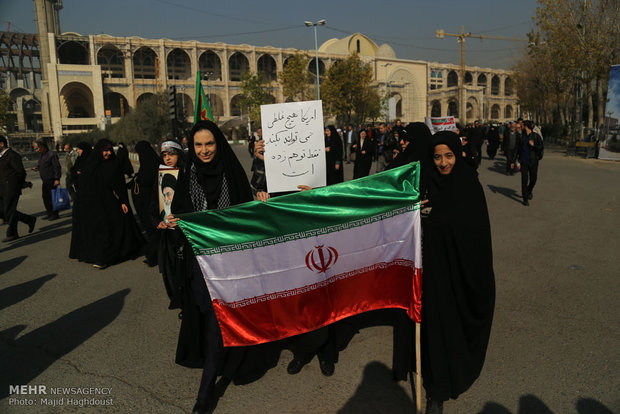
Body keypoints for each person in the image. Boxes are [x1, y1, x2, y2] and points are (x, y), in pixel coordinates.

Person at [165, 120, 257, 414]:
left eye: (210, 144)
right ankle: (216, 371)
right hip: (200, 263)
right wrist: (174, 222)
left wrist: (261, 200)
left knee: (225, 317)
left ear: (219, 144)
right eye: (198, 145)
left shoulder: (232, 172)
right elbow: (179, 213)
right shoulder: (188, 175)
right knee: (210, 318)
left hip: (231, 262)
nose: (204, 151)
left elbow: (248, 215)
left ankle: (205, 394)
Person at [421, 131, 495, 414]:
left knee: (452, 329)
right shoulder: (428, 183)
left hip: (461, 276)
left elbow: (473, 234)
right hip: (435, 275)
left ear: (458, 154)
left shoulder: (468, 185)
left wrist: (433, 221)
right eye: (438, 157)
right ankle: (435, 390)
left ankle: (449, 377)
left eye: (448, 156)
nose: (443, 163)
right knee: (435, 330)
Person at [70, 139, 144, 268]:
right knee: (95, 231)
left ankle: (104, 257)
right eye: (105, 150)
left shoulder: (114, 165)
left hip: (108, 204)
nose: (108, 153)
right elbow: (82, 184)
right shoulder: (91, 165)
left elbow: (119, 186)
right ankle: (97, 255)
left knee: (109, 230)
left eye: (110, 150)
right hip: (91, 205)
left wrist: (123, 202)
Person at [0, 135, 36, 241]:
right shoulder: (1, 156)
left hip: (10, 188)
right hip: (1, 189)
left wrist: (18, 185)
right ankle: (29, 219)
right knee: (4, 211)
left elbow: (20, 172)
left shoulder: (12, 155)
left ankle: (12, 233)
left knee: (8, 211)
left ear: (1, 144)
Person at [132, 141, 161, 266]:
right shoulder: (151, 162)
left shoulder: (152, 165)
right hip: (147, 204)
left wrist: (138, 179)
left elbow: (147, 179)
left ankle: (154, 256)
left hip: (152, 204)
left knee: (153, 230)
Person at [68, 142, 92, 259]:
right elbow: (73, 171)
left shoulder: (90, 160)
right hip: (80, 193)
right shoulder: (79, 160)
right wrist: (76, 173)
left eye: (79, 150)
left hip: (89, 195)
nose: (78, 151)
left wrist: (81, 173)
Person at [516, 120, 544, 206]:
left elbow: (541, 147)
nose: (522, 127)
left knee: (533, 179)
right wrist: (516, 160)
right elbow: (518, 149)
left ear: (526, 126)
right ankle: (525, 198)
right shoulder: (522, 137)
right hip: (524, 161)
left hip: (533, 161)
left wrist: (533, 145)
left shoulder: (535, 136)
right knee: (524, 180)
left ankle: (529, 190)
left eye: (523, 125)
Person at [32, 140, 61, 220]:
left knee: (52, 198)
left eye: (37, 148)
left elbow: (57, 167)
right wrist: (37, 168)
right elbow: (42, 164)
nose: (37, 150)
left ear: (42, 147)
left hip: (51, 179)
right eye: (35, 149)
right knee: (45, 198)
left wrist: (57, 179)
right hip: (45, 180)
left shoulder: (52, 154)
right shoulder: (42, 155)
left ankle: (55, 214)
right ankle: (49, 213)